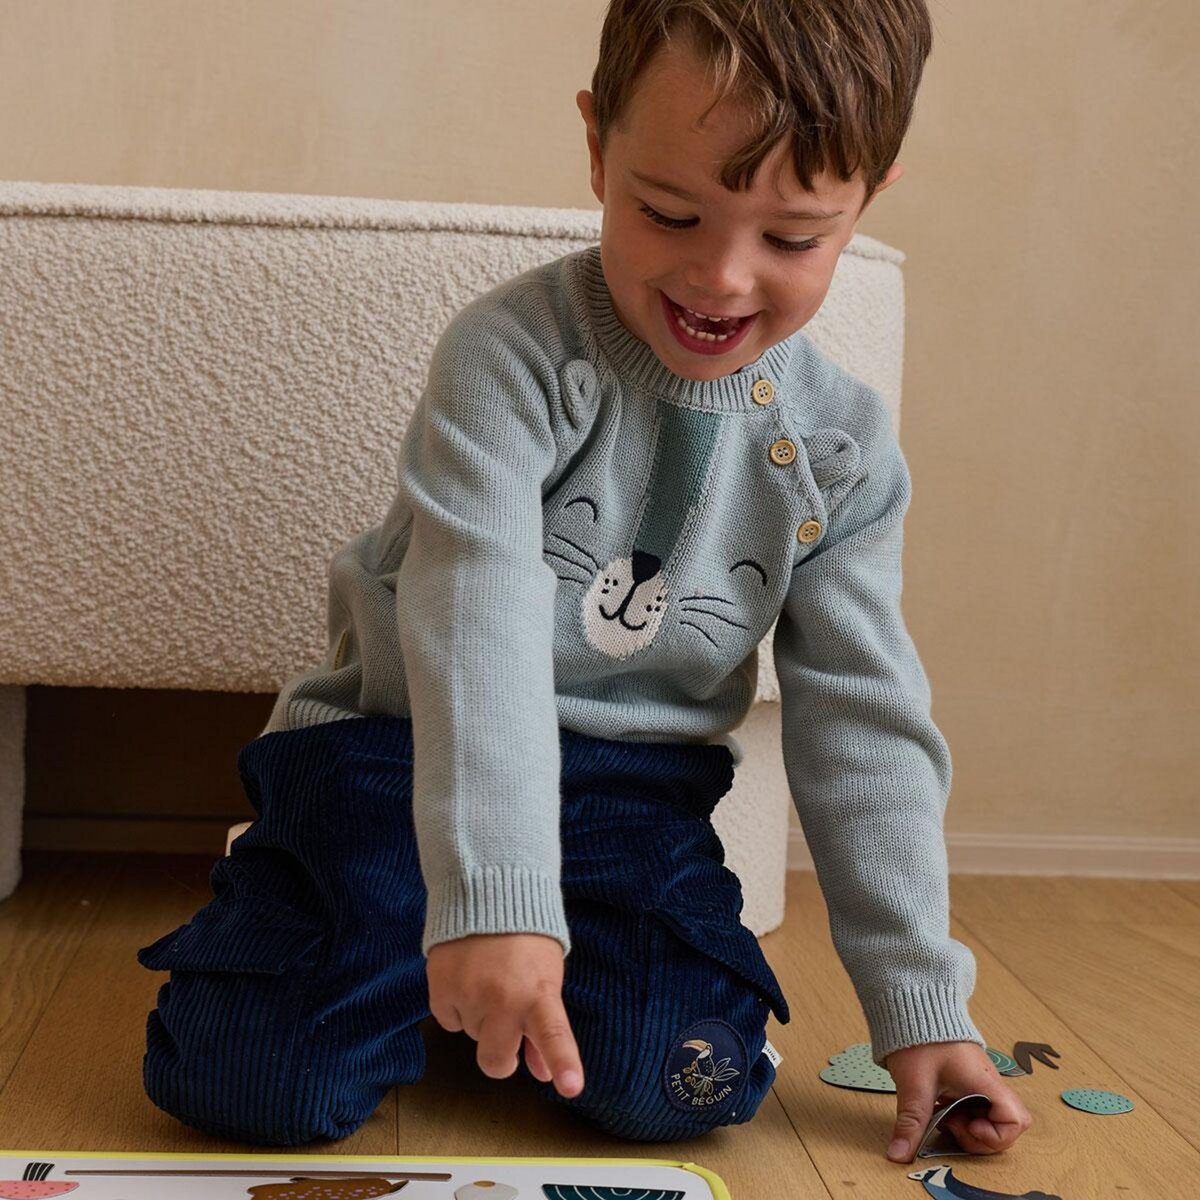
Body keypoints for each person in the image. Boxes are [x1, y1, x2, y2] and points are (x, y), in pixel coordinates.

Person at [137, 0, 1032, 1164]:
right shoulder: (509, 355)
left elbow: (864, 718)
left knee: (684, 1087)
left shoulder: (843, 451)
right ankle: (397, 929)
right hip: (391, 752)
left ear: (866, 202)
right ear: (598, 146)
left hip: (627, 796)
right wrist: (499, 896)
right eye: (669, 212)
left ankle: (478, 973)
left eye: (795, 239)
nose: (721, 276)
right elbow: (477, 620)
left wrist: (921, 1005)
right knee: (244, 1083)